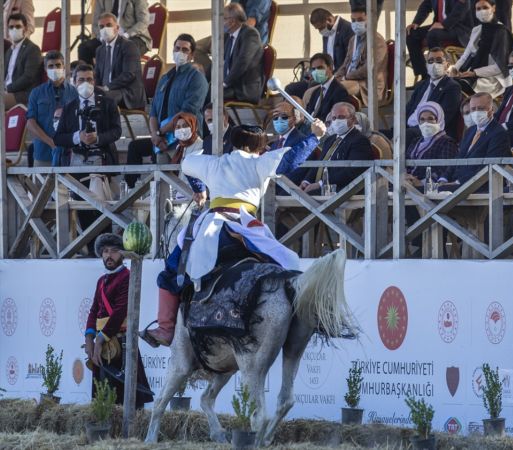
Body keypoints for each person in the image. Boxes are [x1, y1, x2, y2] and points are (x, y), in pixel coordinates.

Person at [140, 120, 326, 347]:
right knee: (288, 265)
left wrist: (199, 190)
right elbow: (290, 161)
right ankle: (304, 320)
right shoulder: (260, 162)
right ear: (259, 147)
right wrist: (314, 136)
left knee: (173, 268)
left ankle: (166, 328)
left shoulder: (215, 163)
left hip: (211, 226)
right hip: (246, 227)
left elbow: (187, 164)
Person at [125, 34, 208, 187]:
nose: (180, 52)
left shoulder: (196, 78)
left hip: (184, 140)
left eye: (185, 49)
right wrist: (155, 136)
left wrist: (160, 133)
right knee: (158, 182)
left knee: (183, 187)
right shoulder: (164, 78)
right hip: (161, 141)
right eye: (177, 48)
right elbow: (154, 112)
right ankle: (130, 195)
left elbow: (187, 112)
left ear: (192, 55)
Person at [85, 233, 153, 408]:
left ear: (122, 254)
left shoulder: (127, 277)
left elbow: (119, 312)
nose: (109, 255)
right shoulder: (101, 281)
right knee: (103, 398)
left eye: (114, 251)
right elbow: (94, 311)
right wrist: (89, 340)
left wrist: (99, 340)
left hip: (120, 343)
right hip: (102, 344)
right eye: (106, 251)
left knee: (124, 398)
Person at [53, 64, 122, 167]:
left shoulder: (108, 104)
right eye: (81, 80)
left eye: (89, 79)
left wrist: (97, 138)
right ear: (75, 82)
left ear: (94, 82)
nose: (86, 83)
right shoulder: (69, 107)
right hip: (75, 158)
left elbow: (117, 131)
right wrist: (78, 137)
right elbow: (58, 138)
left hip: (102, 157)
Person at [438, 92, 510, 188]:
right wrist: (444, 179)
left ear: (492, 109)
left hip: (479, 187)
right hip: (457, 184)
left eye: (480, 108)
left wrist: (459, 182)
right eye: (473, 109)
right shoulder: (470, 131)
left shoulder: (498, 133)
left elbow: (489, 167)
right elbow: (459, 158)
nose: (476, 112)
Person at [301, 102, 374, 193]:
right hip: (323, 187)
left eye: (341, 117)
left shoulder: (359, 141)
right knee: (291, 192)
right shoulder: (330, 139)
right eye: (334, 118)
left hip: (341, 190)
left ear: (353, 119)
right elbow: (320, 163)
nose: (336, 121)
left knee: (301, 197)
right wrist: (306, 181)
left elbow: (350, 172)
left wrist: (320, 184)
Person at [449, 0, 513, 98]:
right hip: (471, 73)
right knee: (446, 83)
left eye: (485, 7)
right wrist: (454, 69)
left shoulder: (501, 31)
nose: (481, 11)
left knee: (456, 87)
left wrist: (474, 73)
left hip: (493, 78)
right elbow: (466, 55)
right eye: (478, 9)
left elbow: (499, 67)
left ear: (493, 8)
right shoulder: (477, 30)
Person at [26, 51, 78, 167]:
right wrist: (51, 143)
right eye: (50, 66)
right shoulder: (36, 93)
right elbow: (30, 123)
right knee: (40, 185)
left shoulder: (74, 92)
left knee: (66, 185)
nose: (55, 68)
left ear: (64, 67)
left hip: (68, 155)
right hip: (42, 154)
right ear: (45, 69)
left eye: (58, 65)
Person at [406, 0, 473, 80]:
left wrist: (444, 25)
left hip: (459, 28)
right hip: (439, 27)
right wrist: (416, 22)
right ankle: (424, 76)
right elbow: (426, 5)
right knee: (411, 34)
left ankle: (438, 75)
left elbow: (463, 7)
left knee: (433, 35)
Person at [404, 47, 462, 140]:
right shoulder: (421, 85)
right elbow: (408, 110)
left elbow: (443, 119)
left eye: (439, 61)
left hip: (429, 132)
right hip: (408, 129)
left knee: (405, 136)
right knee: (377, 135)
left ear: (447, 65)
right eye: (430, 61)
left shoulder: (452, 87)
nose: (434, 64)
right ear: (427, 65)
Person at [334, 6, 387, 105]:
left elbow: (370, 68)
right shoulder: (353, 40)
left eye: (360, 20)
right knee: (314, 91)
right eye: (353, 20)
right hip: (349, 80)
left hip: (367, 84)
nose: (355, 23)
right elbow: (346, 63)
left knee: (335, 90)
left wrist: (346, 77)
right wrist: (336, 76)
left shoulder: (377, 40)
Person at [94, 13, 146, 110]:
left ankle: (111, 125)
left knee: (105, 99)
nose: (105, 29)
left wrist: (106, 88)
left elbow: (129, 74)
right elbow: (97, 75)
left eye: (108, 25)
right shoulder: (100, 50)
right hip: (107, 91)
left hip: (126, 91)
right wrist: (93, 88)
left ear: (117, 28)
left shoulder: (129, 46)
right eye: (101, 26)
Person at [78, 0, 152, 65]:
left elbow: (143, 22)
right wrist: (102, 37)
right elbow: (95, 23)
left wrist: (126, 35)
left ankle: (121, 79)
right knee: (84, 48)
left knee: (122, 49)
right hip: (108, 35)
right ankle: (93, 77)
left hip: (135, 36)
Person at [406, 102, 458, 185]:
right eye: (422, 119)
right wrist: (406, 176)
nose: (426, 123)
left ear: (439, 120)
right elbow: (406, 162)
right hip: (408, 183)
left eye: (430, 119)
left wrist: (422, 183)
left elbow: (445, 169)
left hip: (429, 187)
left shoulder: (447, 142)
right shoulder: (415, 141)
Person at [222, 3, 264, 104]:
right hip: (232, 86)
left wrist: (224, 83)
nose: (220, 22)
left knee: (211, 94)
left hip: (244, 89)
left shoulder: (250, 34)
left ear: (232, 21)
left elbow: (243, 62)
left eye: (223, 19)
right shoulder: (229, 37)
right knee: (204, 90)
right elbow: (222, 62)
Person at [4, 13, 42, 110]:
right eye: (11, 27)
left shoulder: (32, 49)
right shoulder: (9, 51)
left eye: (18, 26)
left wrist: (7, 88)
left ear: (25, 28)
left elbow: (28, 77)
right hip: (7, 92)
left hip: (23, 94)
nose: (14, 29)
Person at [303, 53, 350, 122]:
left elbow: (335, 119)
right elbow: (308, 113)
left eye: (320, 68)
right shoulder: (315, 92)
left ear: (330, 68)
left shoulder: (339, 91)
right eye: (313, 69)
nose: (316, 71)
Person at [310, 8, 354, 73]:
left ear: (329, 20)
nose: (320, 31)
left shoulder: (347, 29)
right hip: (329, 75)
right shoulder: (326, 32)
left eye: (321, 27)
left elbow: (350, 59)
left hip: (342, 75)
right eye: (318, 29)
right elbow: (325, 56)